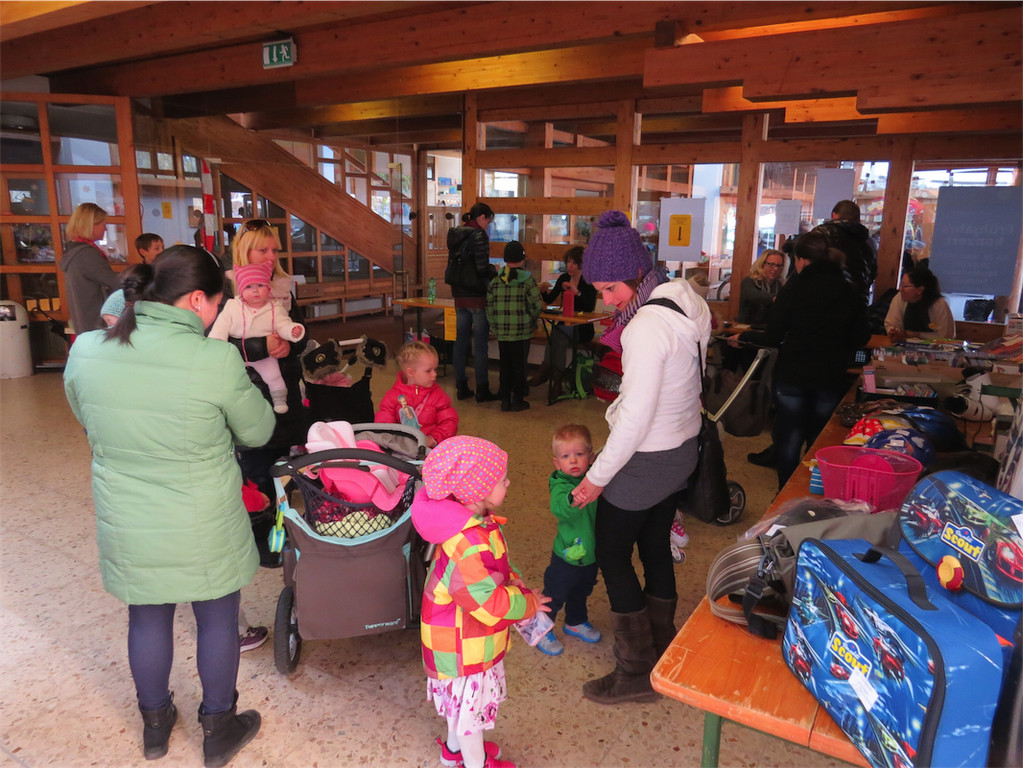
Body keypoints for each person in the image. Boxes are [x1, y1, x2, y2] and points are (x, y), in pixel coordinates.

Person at [62, 246, 275, 766]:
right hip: (204, 515)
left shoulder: (87, 349)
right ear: (198, 300)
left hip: (128, 514)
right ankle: (218, 729)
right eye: (218, 304)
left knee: (147, 617)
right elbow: (258, 430)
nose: (217, 315)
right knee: (217, 619)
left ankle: (155, 726)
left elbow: (86, 416)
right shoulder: (213, 359)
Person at [570, 209, 711, 705]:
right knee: (653, 543)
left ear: (635, 273)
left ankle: (634, 670)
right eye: (599, 290)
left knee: (612, 552)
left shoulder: (645, 328)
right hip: (682, 447)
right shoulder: (682, 296)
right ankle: (662, 642)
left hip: (648, 455)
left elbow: (634, 419)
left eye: (611, 289)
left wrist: (596, 477)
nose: (606, 300)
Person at [410, 436, 549, 768]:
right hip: (462, 648)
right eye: (502, 479)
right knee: (470, 716)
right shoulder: (467, 541)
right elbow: (489, 605)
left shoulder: (471, 522)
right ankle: (475, 762)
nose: (508, 482)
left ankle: (452, 751)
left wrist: (512, 577)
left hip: (455, 639)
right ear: (476, 491)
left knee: (459, 707)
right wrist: (528, 603)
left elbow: (492, 567)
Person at [732, 232, 871, 489]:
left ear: (802, 260)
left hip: (793, 373)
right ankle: (815, 488)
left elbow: (773, 336)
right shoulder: (850, 290)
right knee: (819, 438)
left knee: (789, 438)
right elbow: (861, 336)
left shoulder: (795, 289)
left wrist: (744, 336)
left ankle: (787, 491)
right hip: (831, 374)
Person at [224, 220, 309, 537]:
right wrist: (261, 346)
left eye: (275, 250)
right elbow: (216, 344)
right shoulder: (227, 290)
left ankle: (281, 527)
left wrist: (291, 343)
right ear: (245, 251)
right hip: (250, 394)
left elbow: (301, 330)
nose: (271, 257)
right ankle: (260, 534)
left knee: (283, 467)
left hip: (285, 388)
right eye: (263, 250)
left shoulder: (282, 287)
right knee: (257, 469)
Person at [536, 424, 602, 657]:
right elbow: (559, 508)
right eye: (566, 456)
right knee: (555, 593)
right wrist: (571, 499)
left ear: (591, 457)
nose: (573, 460)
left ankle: (575, 621)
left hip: (591, 554)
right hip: (566, 556)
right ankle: (541, 629)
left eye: (579, 454)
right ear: (557, 463)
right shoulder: (561, 484)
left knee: (581, 591)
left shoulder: (595, 480)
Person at [209, 262, 306, 414]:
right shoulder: (232, 306)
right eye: (248, 287)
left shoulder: (275, 307)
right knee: (232, 378)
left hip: (266, 355)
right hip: (238, 354)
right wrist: (217, 341)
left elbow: (283, 324)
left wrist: (291, 330)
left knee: (274, 377)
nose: (255, 290)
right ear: (241, 290)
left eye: (260, 285)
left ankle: (279, 399)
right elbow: (222, 324)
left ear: (268, 288)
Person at [445, 203, 499, 403]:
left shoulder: (456, 234)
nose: (488, 226)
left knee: (460, 341)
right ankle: (482, 389)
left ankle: (461, 386)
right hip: (476, 296)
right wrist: (494, 270)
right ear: (482, 217)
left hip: (459, 295)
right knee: (481, 344)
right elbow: (482, 268)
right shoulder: (479, 235)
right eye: (488, 222)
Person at [531, 246, 597, 393]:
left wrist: (577, 293)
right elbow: (550, 299)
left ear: (581, 264)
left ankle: (549, 376)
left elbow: (589, 306)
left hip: (582, 327)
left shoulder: (588, 281)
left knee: (557, 336)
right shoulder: (563, 278)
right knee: (556, 336)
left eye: (574, 263)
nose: (570, 266)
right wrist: (543, 292)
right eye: (568, 262)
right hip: (564, 325)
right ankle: (555, 380)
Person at [486, 240, 542, 412]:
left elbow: (489, 307)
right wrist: (531, 321)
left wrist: (495, 326)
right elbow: (537, 306)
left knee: (505, 365)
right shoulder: (528, 281)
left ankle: (505, 400)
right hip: (521, 332)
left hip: (502, 332)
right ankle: (517, 399)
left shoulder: (496, 281)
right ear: (523, 259)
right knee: (519, 366)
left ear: (505, 259)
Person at [375, 340, 458, 449]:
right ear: (410, 372)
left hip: (430, 450)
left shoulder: (439, 396)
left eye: (435, 369)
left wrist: (434, 438)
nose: (434, 374)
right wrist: (394, 441)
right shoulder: (393, 396)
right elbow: (384, 424)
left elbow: (449, 421)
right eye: (428, 371)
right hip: (402, 449)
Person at [59, 202, 121, 336]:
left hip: (84, 321)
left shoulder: (74, 251)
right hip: (96, 323)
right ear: (90, 225)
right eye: (103, 224)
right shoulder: (87, 254)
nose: (105, 228)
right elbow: (115, 282)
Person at [809, 199, 878, 305]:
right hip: (857, 303)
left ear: (834, 215)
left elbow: (807, 265)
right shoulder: (868, 242)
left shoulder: (821, 233)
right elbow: (872, 273)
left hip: (823, 301)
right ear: (858, 219)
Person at [884, 265, 956, 341]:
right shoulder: (899, 298)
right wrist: (894, 332)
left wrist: (912, 334)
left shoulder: (939, 304)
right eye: (901, 285)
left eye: (905, 286)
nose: (900, 289)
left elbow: (945, 336)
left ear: (920, 290)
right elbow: (892, 323)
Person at [737, 249, 788, 328]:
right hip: (747, 327)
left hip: (769, 328)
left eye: (779, 266)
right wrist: (775, 298)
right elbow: (753, 295)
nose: (775, 269)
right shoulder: (749, 281)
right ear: (761, 264)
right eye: (771, 264)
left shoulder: (780, 285)